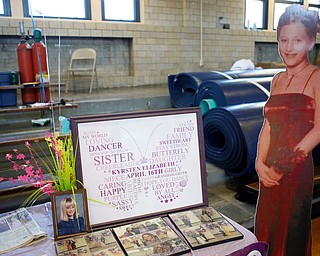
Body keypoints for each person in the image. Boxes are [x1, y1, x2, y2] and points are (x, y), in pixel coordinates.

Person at [254, 5, 320, 256]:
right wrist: (259, 163)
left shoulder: (317, 77)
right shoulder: (277, 80)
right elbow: (268, 124)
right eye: (283, 40)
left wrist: (283, 166)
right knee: (266, 227)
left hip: (295, 170)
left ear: (311, 42)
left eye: (297, 40)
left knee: (290, 231)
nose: (289, 48)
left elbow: (318, 130)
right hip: (269, 170)